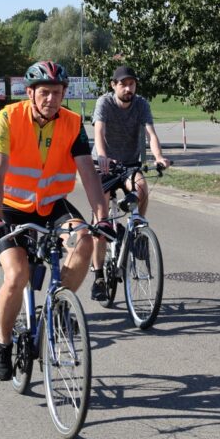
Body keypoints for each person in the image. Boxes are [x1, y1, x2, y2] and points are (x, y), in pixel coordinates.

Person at [0, 60, 109, 381]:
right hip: (11, 208)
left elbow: (88, 171)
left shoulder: (71, 122)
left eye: (57, 92)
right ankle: (3, 343)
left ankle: (57, 308)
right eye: (44, 92)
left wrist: (103, 217)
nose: (51, 99)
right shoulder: (7, 118)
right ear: (30, 93)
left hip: (52, 204)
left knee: (84, 241)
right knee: (17, 275)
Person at [89, 65, 170, 300]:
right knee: (101, 222)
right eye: (123, 84)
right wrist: (103, 157)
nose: (128, 88)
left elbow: (151, 134)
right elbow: (99, 132)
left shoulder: (141, 104)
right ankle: (99, 278)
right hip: (103, 165)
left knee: (142, 187)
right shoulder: (104, 103)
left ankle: (137, 229)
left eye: (131, 84)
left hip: (129, 164)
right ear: (114, 85)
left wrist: (158, 157)